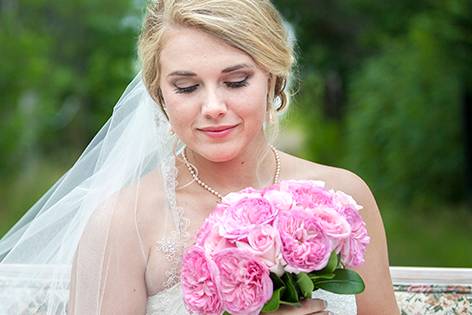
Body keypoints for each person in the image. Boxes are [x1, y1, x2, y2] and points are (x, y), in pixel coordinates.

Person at [0, 0, 400, 314]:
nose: (213, 106)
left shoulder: (343, 198)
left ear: (273, 80)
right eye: (187, 87)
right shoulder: (122, 224)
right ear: (160, 96)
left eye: (236, 81)